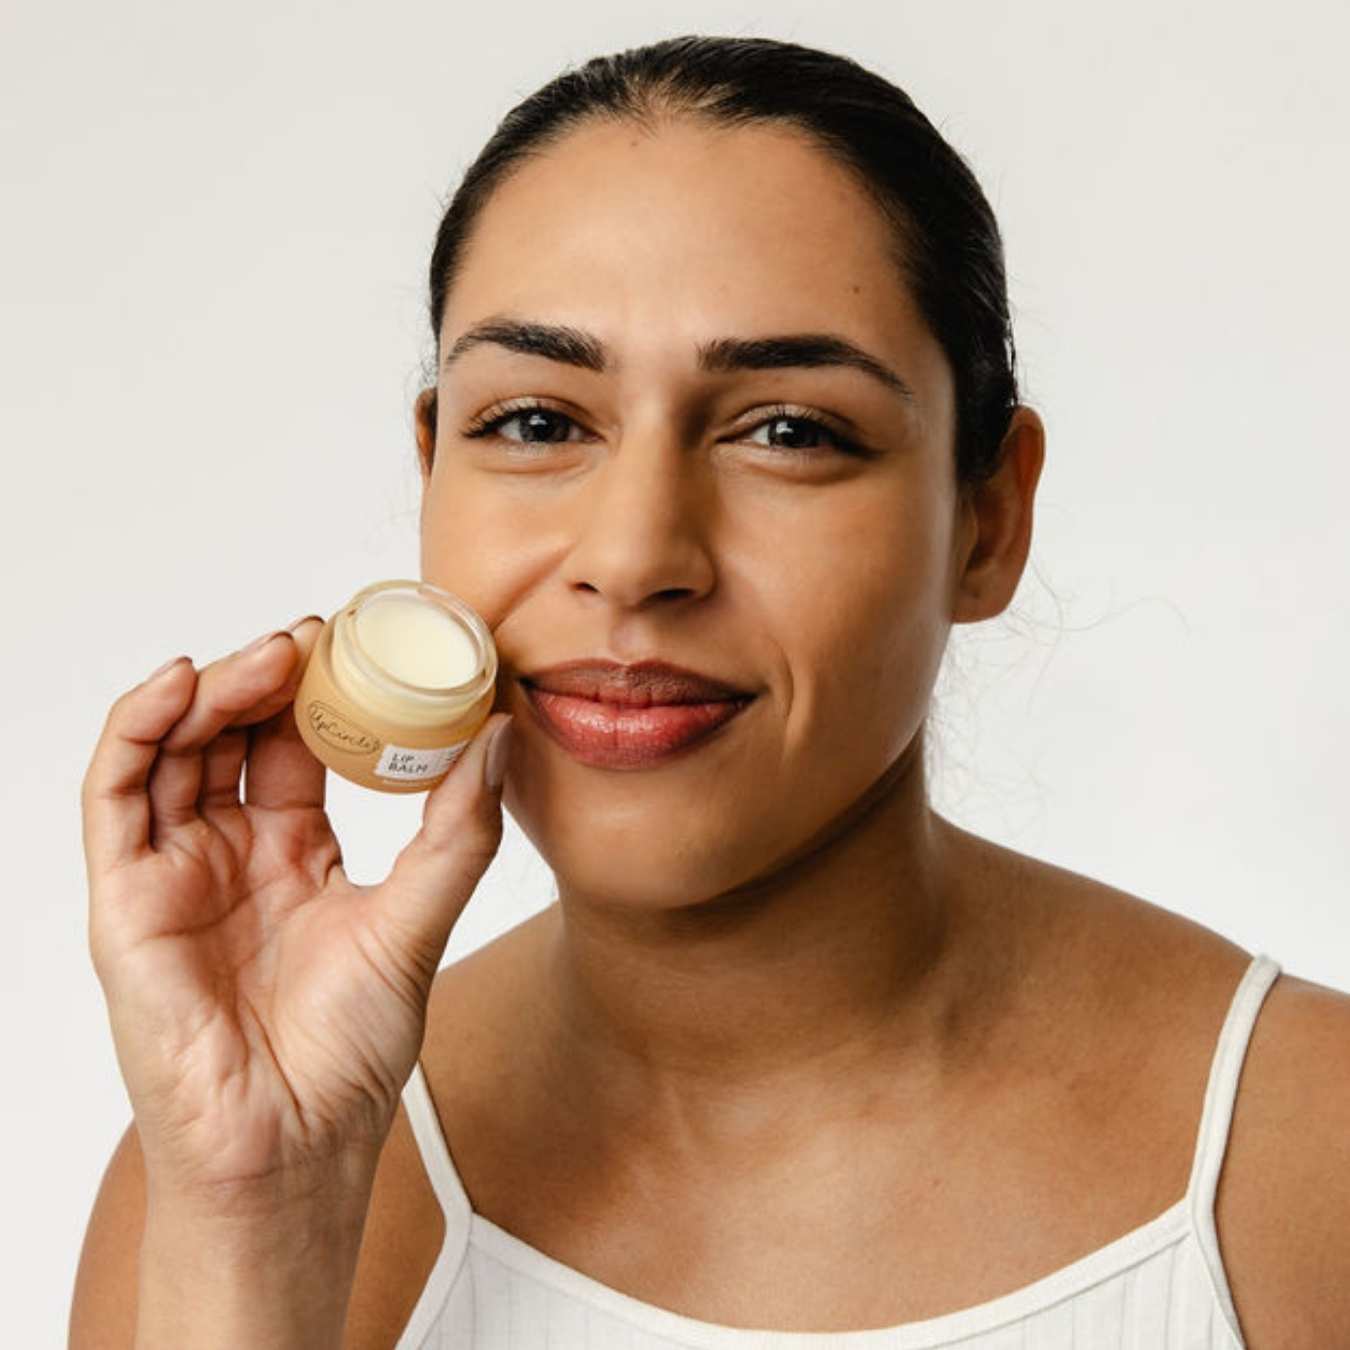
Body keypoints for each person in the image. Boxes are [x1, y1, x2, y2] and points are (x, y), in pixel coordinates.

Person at [70, 33, 1349, 1350]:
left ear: (985, 520)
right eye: (534, 422)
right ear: (430, 467)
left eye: (787, 430)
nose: (632, 558)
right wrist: (253, 1227)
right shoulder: (228, 1183)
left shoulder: (1310, 1172)